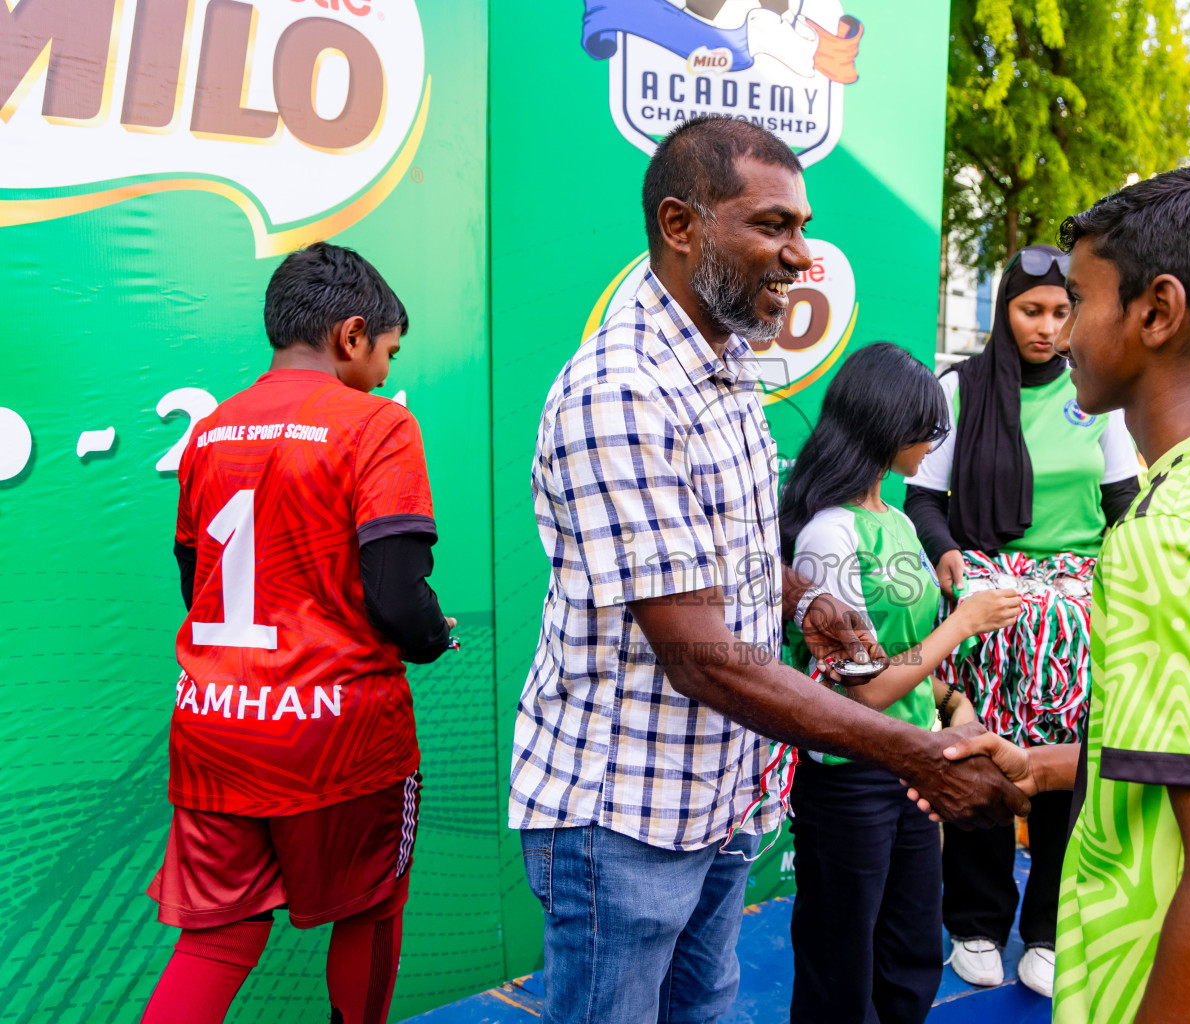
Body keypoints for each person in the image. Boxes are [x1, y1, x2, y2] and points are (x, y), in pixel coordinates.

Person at [509, 115, 1027, 1024]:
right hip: (624, 816)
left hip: (714, 800)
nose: (802, 254)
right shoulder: (623, 390)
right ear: (682, 226)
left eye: (803, 226)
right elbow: (700, 655)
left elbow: (720, 550)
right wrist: (916, 749)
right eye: (773, 225)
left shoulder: (726, 360)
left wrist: (802, 596)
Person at [915, 166, 1190, 1023]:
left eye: (1078, 300)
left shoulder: (1167, 534)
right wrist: (1043, 768)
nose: (1061, 330)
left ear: (1156, 312)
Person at [141, 243, 456, 1024]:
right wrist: (432, 636)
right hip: (340, 737)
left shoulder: (209, 431)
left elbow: (198, 585)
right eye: (386, 352)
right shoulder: (377, 424)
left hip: (214, 728)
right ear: (352, 336)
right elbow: (394, 594)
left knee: (215, 941)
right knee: (371, 909)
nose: (386, 373)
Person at [904, 245, 1140, 994]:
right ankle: (975, 922)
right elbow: (923, 501)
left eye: (1061, 312)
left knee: (1068, 766)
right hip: (986, 593)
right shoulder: (960, 389)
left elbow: (1124, 505)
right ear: (1004, 311)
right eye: (1030, 310)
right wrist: (948, 559)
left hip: (1074, 601)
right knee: (980, 750)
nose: (1046, 327)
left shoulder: (1094, 396)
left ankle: (1046, 928)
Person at [780, 342, 1024, 1024]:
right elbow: (863, 692)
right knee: (841, 950)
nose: (931, 445)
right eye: (926, 429)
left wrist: (952, 699)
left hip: (914, 759)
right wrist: (965, 623)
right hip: (851, 767)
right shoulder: (830, 533)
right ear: (885, 428)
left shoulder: (898, 522)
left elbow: (905, 658)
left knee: (912, 941)